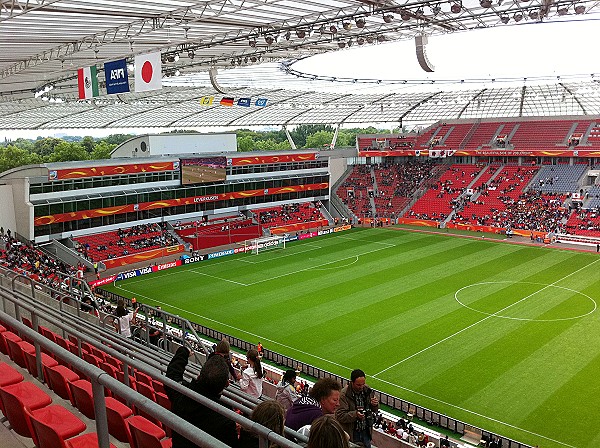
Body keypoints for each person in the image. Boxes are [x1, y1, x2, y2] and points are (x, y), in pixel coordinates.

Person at [165, 346, 237, 448]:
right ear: (226, 384)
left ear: (199, 376)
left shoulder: (181, 394)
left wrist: (183, 352)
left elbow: (172, 374)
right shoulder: (225, 419)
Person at [335, 369, 379, 448]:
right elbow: (340, 415)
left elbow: (374, 409)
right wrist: (355, 415)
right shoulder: (344, 395)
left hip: (366, 430)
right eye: (358, 385)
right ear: (352, 382)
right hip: (353, 432)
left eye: (363, 384)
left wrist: (374, 404)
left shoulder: (367, 390)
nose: (361, 387)